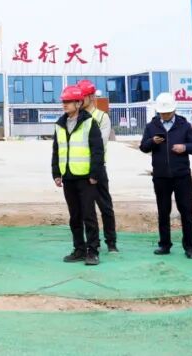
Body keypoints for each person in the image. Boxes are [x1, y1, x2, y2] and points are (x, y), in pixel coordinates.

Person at [139, 92, 192, 259]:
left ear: (174, 110)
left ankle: (189, 247)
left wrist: (184, 147)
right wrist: (152, 141)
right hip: (161, 177)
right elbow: (143, 147)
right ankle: (164, 245)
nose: (165, 115)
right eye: (162, 113)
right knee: (163, 211)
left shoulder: (184, 125)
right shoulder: (151, 127)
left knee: (186, 211)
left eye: (167, 112)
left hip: (182, 176)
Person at [52, 85, 105, 266]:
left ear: (78, 103)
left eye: (68, 101)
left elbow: (98, 151)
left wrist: (95, 173)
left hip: (85, 178)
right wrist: (56, 173)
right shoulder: (59, 124)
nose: (64, 105)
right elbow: (56, 150)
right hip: (68, 177)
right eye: (63, 101)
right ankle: (79, 249)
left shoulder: (89, 123)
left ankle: (93, 251)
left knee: (88, 215)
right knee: (74, 216)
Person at [77, 79, 117, 252]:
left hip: (98, 168)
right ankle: (92, 242)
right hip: (80, 169)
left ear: (92, 97)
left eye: (83, 97)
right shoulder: (75, 117)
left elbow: (100, 143)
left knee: (105, 206)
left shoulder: (102, 117)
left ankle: (111, 242)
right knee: (86, 209)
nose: (79, 100)